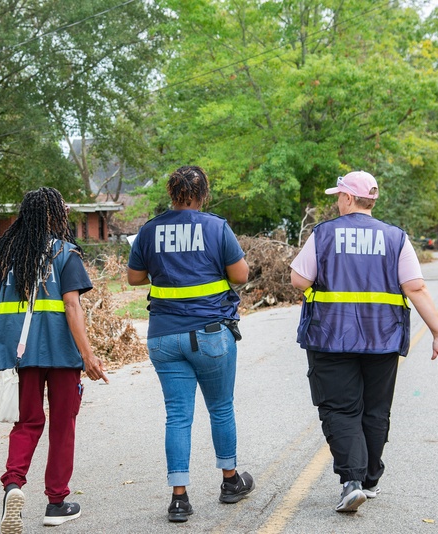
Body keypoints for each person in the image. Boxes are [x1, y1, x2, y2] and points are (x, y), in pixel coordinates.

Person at [289, 171, 438, 513]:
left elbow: (299, 279)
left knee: (340, 408)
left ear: (349, 198)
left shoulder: (323, 234)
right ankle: (370, 480)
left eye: (338, 196)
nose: (336, 202)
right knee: (375, 409)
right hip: (383, 338)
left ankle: (352, 482)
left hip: (330, 338)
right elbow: (415, 288)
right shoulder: (395, 238)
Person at [126, 165, 254, 523]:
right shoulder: (215, 227)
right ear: (203, 194)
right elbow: (241, 275)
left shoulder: (150, 230)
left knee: (178, 416)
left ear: (170, 193)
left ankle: (179, 499)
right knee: (221, 408)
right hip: (211, 334)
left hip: (164, 336)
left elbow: (135, 277)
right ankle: (230, 482)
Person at [0, 187, 109, 534]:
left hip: (21, 355)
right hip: (62, 354)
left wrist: (5, 355)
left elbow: (0, 307)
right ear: (54, 215)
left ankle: (13, 485)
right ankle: (57, 503)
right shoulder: (66, 254)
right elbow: (72, 306)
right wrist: (89, 356)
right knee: (62, 425)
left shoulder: (9, 254)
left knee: (27, 423)